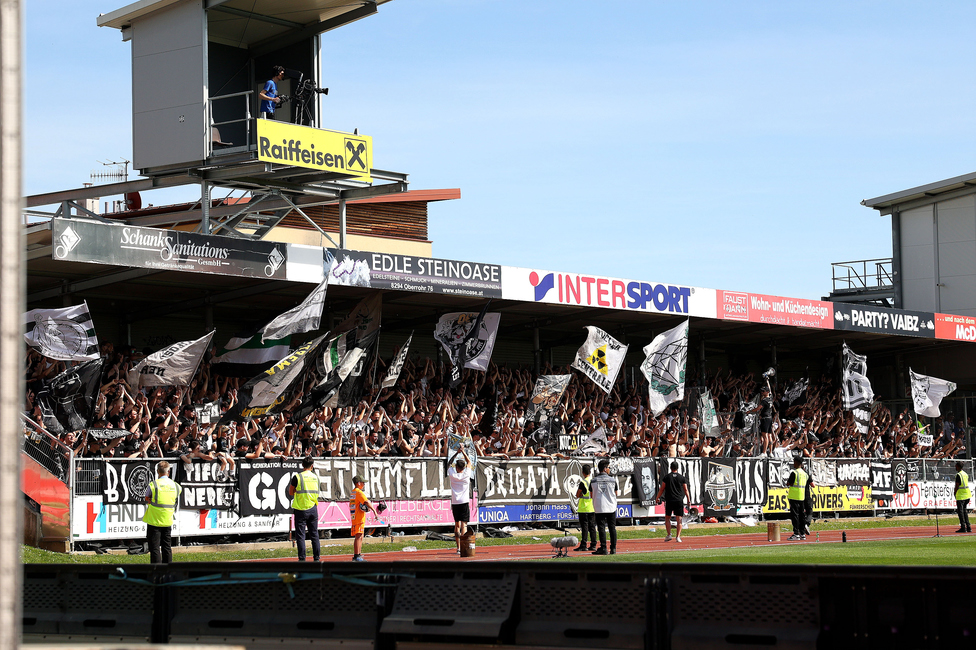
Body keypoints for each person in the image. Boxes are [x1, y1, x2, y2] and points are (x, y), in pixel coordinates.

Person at [142, 460, 182, 564]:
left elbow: (147, 497)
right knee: (167, 547)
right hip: (167, 520)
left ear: (157, 471)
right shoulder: (176, 486)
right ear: (168, 472)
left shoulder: (154, 484)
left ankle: (156, 570)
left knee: (155, 548)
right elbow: (176, 495)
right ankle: (168, 569)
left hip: (154, 520)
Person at [287, 457, 320, 561]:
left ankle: (302, 559)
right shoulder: (316, 477)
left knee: (300, 536)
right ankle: (317, 558)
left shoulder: (297, 477)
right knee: (314, 534)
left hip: (301, 508)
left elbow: (291, 492)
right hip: (313, 508)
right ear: (312, 466)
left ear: (302, 465)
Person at [656, 461, 691, 543]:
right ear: (677, 468)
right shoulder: (681, 478)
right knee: (679, 519)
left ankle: (669, 535)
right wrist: (688, 500)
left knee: (667, 518)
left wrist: (657, 497)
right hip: (679, 500)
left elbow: (662, 489)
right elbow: (686, 489)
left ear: (670, 468)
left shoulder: (667, 477)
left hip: (669, 500)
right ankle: (678, 537)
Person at [590, 459, 618, 555]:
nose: (609, 469)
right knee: (612, 528)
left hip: (599, 506)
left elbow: (591, 494)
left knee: (601, 528)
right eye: (608, 467)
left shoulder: (593, 480)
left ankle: (603, 548)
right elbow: (616, 493)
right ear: (605, 469)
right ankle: (613, 548)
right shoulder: (613, 480)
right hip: (611, 506)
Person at [448, 446, 473, 554]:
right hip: (464, 502)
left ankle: (458, 547)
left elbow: (448, 463)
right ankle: (464, 546)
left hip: (455, 502)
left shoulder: (453, 475)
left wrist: (456, 453)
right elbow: (469, 461)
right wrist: (463, 452)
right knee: (464, 525)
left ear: (457, 468)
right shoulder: (467, 474)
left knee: (457, 525)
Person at [350, 475, 380, 562]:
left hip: (356, 517)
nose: (363, 484)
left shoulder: (353, 492)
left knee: (360, 535)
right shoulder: (358, 492)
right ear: (358, 483)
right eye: (362, 483)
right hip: (358, 518)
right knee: (359, 536)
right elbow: (366, 501)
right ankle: (356, 556)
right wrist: (374, 510)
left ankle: (358, 554)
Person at [787, 456, 813, 540]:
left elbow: (789, 483)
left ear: (796, 462)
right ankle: (802, 533)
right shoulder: (805, 473)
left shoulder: (794, 473)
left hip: (794, 496)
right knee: (802, 515)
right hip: (802, 496)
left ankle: (796, 533)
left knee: (795, 516)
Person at [574, 463, 597, 552]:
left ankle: (584, 544)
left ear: (583, 473)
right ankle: (593, 544)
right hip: (592, 506)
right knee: (592, 527)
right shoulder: (594, 481)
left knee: (585, 527)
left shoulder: (583, 482)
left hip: (584, 507)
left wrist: (581, 495)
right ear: (590, 472)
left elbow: (577, 495)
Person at [954, 461, 971, 533]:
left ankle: (963, 527)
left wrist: (954, 492)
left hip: (961, 496)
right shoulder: (965, 474)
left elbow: (957, 485)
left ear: (958, 466)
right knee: (965, 511)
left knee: (960, 512)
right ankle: (968, 526)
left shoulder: (959, 475)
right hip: (967, 494)